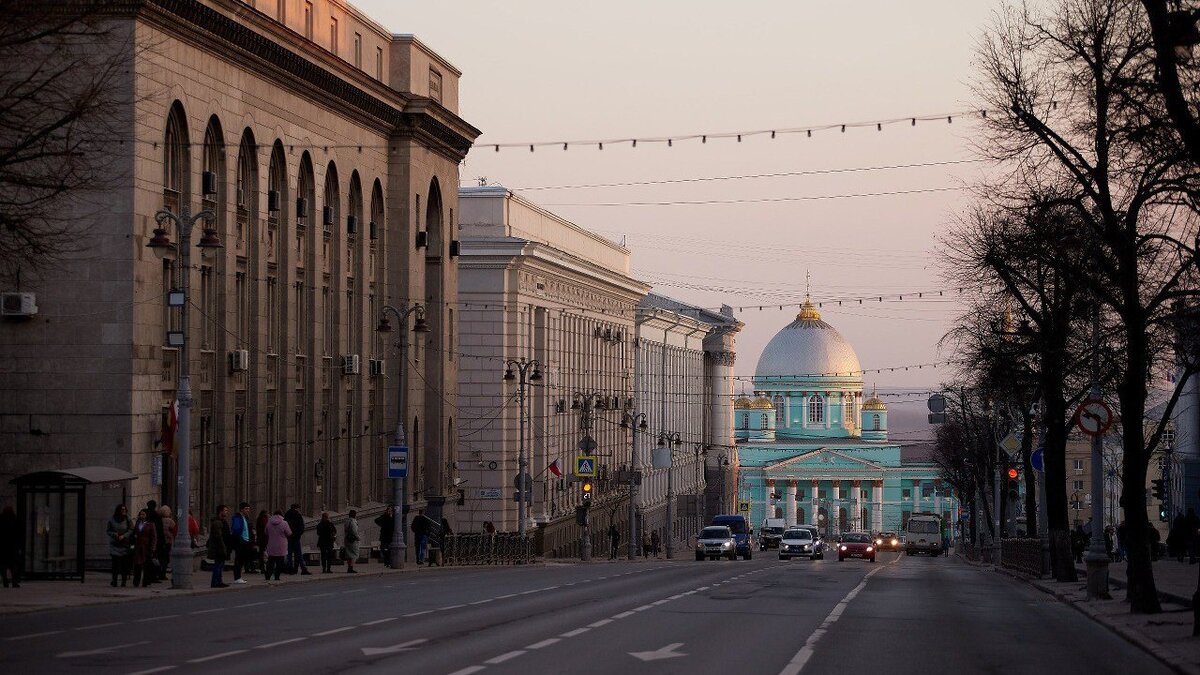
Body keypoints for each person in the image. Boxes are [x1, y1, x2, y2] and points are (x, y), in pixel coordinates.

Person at [107, 504, 134, 587]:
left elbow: (131, 529)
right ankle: (114, 581)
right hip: (115, 544)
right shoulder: (112, 520)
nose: (124, 511)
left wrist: (124, 535)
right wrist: (115, 535)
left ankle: (124, 581)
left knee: (124, 565)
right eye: (122, 510)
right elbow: (108, 530)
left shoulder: (128, 519)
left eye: (125, 510)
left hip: (124, 544)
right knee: (115, 564)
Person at [131, 508, 157, 587]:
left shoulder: (150, 524)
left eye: (143, 514)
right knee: (137, 565)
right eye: (140, 514)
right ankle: (136, 581)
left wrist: (152, 548)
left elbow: (154, 537)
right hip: (138, 546)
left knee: (146, 565)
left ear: (146, 515)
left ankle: (145, 581)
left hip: (146, 547)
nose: (142, 516)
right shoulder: (138, 523)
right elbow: (134, 533)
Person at [263, 510, 291, 581]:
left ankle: (268, 576)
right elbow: (289, 533)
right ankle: (277, 576)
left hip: (271, 545)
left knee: (270, 562)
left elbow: (265, 532)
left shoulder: (269, 522)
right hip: (281, 546)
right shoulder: (284, 523)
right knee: (280, 562)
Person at [207, 504, 231, 588]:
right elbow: (219, 536)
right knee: (218, 565)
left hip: (223, 546)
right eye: (225, 511)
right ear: (220, 512)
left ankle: (219, 581)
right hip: (219, 548)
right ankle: (215, 582)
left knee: (220, 565)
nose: (227, 512)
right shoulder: (217, 522)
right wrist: (223, 547)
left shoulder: (223, 521)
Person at [230, 502, 254, 584]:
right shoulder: (237, 517)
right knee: (238, 560)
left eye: (248, 509)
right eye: (246, 509)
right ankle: (237, 577)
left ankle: (239, 577)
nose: (248, 510)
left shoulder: (245, 518)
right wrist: (241, 540)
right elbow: (236, 530)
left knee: (242, 560)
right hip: (240, 542)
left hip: (245, 541)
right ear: (241, 509)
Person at [284, 504, 310, 575]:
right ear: (296, 508)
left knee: (289, 554)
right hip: (295, 537)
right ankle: (302, 569)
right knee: (298, 554)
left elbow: (285, 526)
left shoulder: (287, 515)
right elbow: (301, 527)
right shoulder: (298, 515)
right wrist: (299, 534)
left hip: (289, 537)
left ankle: (290, 568)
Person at [144, 500, 164, 582]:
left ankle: (147, 576)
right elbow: (160, 529)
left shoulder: (144, 514)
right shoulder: (156, 515)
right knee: (154, 559)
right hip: (154, 541)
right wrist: (162, 542)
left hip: (144, 541)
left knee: (147, 559)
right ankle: (153, 576)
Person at [0, 504, 19, 588]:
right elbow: (19, 533)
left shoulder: (1, 519)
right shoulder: (14, 519)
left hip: (3, 546)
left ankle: (5, 581)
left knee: (3, 566)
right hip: (12, 546)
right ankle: (14, 582)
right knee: (13, 565)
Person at [158, 505, 177, 578]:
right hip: (168, 541)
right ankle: (163, 573)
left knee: (161, 557)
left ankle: (160, 572)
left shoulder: (159, 520)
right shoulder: (170, 521)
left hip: (160, 541)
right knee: (165, 558)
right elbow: (174, 530)